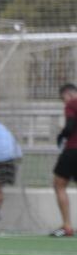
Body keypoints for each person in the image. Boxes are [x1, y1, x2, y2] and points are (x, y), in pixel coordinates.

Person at [50, 83, 77, 237]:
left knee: (59, 185)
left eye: (63, 99)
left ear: (68, 94)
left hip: (73, 150)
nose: (64, 102)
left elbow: (69, 127)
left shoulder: (72, 103)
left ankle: (67, 226)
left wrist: (62, 135)